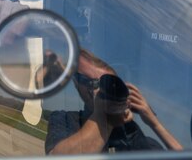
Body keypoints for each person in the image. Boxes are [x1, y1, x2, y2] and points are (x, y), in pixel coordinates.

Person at [46, 49, 182, 154]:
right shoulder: (64, 119)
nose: (98, 90)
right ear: (77, 85)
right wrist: (105, 116)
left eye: (107, 85)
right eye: (88, 81)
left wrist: (153, 122)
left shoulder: (135, 136)